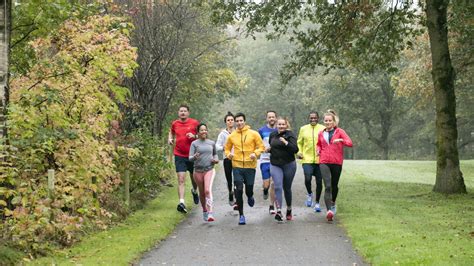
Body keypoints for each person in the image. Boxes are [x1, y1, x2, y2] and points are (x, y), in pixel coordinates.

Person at [224, 112, 265, 225]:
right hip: (236, 166)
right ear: (235, 122)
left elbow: (261, 146)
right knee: (239, 189)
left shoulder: (254, 134)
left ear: (244, 121)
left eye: (241, 120)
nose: (239, 123)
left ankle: (250, 196)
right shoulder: (231, 136)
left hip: (250, 166)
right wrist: (229, 155)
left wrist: (255, 153)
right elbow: (226, 149)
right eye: (237, 121)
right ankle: (241, 215)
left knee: (248, 189)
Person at [317, 111, 353, 222]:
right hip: (323, 161)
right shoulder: (321, 133)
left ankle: (333, 202)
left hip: (336, 162)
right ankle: (329, 211)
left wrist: (341, 140)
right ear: (324, 121)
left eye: (330, 120)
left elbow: (350, 143)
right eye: (326, 120)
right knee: (327, 185)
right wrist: (318, 150)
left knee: (334, 185)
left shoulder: (339, 131)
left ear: (334, 121)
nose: (327, 122)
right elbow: (319, 144)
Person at [168, 105, 200, 214]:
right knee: (181, 179)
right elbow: (171, 132)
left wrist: (195, 136)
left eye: (185, 111)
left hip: (192, 155)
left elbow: (203, 134)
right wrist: (170, 138)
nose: (182, 113)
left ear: (188, 113)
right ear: (178, 112)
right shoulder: (175, 123)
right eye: (181, 111)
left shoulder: (195, 123)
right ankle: (181, 202)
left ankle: (194, 191)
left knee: (194, 177)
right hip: (179, 154)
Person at [268, 117, 299, 222]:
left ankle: (289, 209)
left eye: (283, 124)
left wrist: (286, 142)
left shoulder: (290, 135)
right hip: (275, 164)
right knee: (277, 186)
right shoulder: (272, 135)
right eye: (279, 124)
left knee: (287, 188)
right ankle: (279, 211)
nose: (281, 126)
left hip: (289, 164)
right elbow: (272, 146)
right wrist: (269, 149)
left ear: (286, 125)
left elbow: (295, 149)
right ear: (276, 125)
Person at [189, 123, 219, 222]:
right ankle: (205, 211)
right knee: (201, 193)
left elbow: (215, 155)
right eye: (201, 130)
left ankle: (210, 213)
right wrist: (195, 157)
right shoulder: (194, 143)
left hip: (209, 169)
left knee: (207, 190)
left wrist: (215, 160)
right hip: (197, 171)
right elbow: (190, 158)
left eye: (205, 130)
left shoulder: (211, 143)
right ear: (198, 132)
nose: (204, 132)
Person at [297, 111, 326, 212]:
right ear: (308, 119)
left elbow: (326, 143)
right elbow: (299, 142)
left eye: (315, 118)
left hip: (320, 160)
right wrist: (300, 152)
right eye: (311, 118)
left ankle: (317, 203)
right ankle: (309, 194)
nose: (313, 120)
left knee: (319, 182)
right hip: (307, 159)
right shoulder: (303, 129)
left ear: (318, 118)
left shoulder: (323, 128)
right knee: (308, 178)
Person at [258, 111, 278, 214]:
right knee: (267, 184)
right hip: (265, 160)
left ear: (276, 118)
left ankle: (271, 206)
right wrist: (263, 149)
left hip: (276, 160)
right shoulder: (261, 131)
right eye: (269, 117)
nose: (271, 119)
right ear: (267, 119)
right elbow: (257, 144)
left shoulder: (279, 129)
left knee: (274, 184)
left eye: (273, 117)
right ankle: (265, 190)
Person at [215, 112, 237, 208]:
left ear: (234, 121)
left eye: (232, 120)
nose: (230, 121)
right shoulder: (222, 134)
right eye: (228, 120)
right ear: (226, 122)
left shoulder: (238, 132)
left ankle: (237, 197)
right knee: (229, 179)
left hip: (237, 158)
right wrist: (223, 148)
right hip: (227, 158)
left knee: (237, 179)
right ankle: (230, 192)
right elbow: (217, 146)